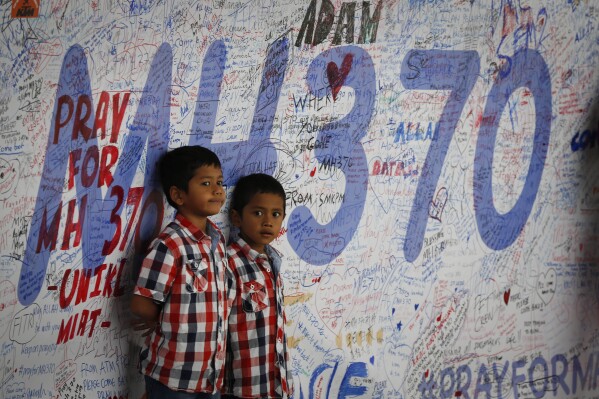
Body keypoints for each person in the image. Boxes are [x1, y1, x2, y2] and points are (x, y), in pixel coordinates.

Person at [131, 145, 229, 399]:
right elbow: (142, 303)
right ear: (178, 195)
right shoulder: (170, 244)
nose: (218, 189)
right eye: (206, 183)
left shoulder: (217, 241)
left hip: (209, 375)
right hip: (172, 375)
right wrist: (169, 321)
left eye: (219, 182)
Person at [223, 173, 294, 399]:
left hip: (274, 385)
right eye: (258, 213)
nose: (268, 221)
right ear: (236, 217)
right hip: (240, 387)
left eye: (276, 214)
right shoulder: (229, 263)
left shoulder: (273, 262)